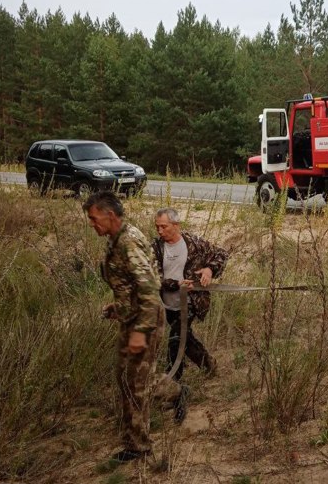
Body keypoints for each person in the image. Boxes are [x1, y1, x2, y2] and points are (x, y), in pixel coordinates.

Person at [83, 191, 165, 463]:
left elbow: (150, 290)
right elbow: (130, 285)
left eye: (95, 219)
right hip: (131, 317)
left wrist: (141, 331)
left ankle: (139, 446)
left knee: (136, 383)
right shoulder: (115, 240)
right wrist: (117, 307)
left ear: (111, 215)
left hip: (146, 320)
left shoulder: (128, 242)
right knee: (125, 376)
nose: (92, 224)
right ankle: (174, 393)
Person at [152, 208, 229, 423]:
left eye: (164, 226)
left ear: (176, 225)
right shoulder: (155, 249)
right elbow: (153, 277)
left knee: (176, 340)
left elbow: (221, 253)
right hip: (169, 304)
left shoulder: (193, 243)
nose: (160, 231)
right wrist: (175, 284)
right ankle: (208, 364)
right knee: (186, 339)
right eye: (157, 226)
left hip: (192, 303)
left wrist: (209, 270)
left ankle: (172, 387)